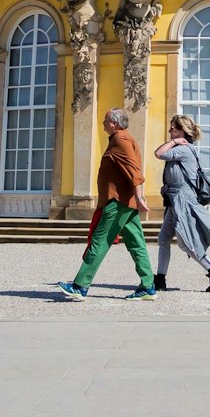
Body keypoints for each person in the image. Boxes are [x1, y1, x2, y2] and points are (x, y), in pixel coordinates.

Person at [57, 108, 156, 301]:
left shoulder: (120, 139)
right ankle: (148, 286)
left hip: (118, 202)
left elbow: (134, 170)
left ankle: (80, 286)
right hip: (126, 203)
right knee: (137, 244)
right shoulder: (122, 138)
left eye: (105, 120)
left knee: (99, 242)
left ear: (114, 123)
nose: (103, 123)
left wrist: (140, 197)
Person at [151, 114, 210, 292]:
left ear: (182, 131)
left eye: (173, 128)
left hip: (183, 198)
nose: (170, 131)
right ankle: (160, 279)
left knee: (186, 241)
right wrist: (176, 141)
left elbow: (159, 153)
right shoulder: (183, 148)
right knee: (163, 238)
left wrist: (175, 142)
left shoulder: (184, 149)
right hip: (174, 199)